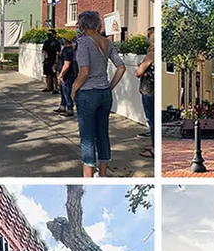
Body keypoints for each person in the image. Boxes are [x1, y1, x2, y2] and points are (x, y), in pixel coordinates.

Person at [69, 11, 127, 177]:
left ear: (83, 26)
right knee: (102, 134)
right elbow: (121, 67)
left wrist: (74, 88)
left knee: (87, 137)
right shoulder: (107, 43)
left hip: (87, 93)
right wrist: (110, 87)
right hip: (104, 94)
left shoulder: (84, 42)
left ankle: (87, 176)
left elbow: (84, 71)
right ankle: (102, 174)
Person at [135, 26, 157, 159]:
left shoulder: (152, 54)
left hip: (149, 92)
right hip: (151, 90)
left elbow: (139, 73)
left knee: (152, 121)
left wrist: (140, 66)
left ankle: (155, 149)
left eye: (148, 36)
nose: (146, 39)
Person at [54, 36, 78, 116]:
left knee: (67, 92)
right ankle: (63, 106)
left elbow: (67, 64)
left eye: (63, 38)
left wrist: (61, 75)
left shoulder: (67, 50)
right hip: (66, 74)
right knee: (63, 92)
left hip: (67, 75)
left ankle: (69, 108)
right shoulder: (67, 49)